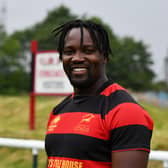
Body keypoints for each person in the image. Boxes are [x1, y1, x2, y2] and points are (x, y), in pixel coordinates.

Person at [45, 19, 154, 168]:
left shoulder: (126, 112)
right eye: (69, 52)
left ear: (104, 57)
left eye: (88, 51)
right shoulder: (59, 110)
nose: (77, 58)